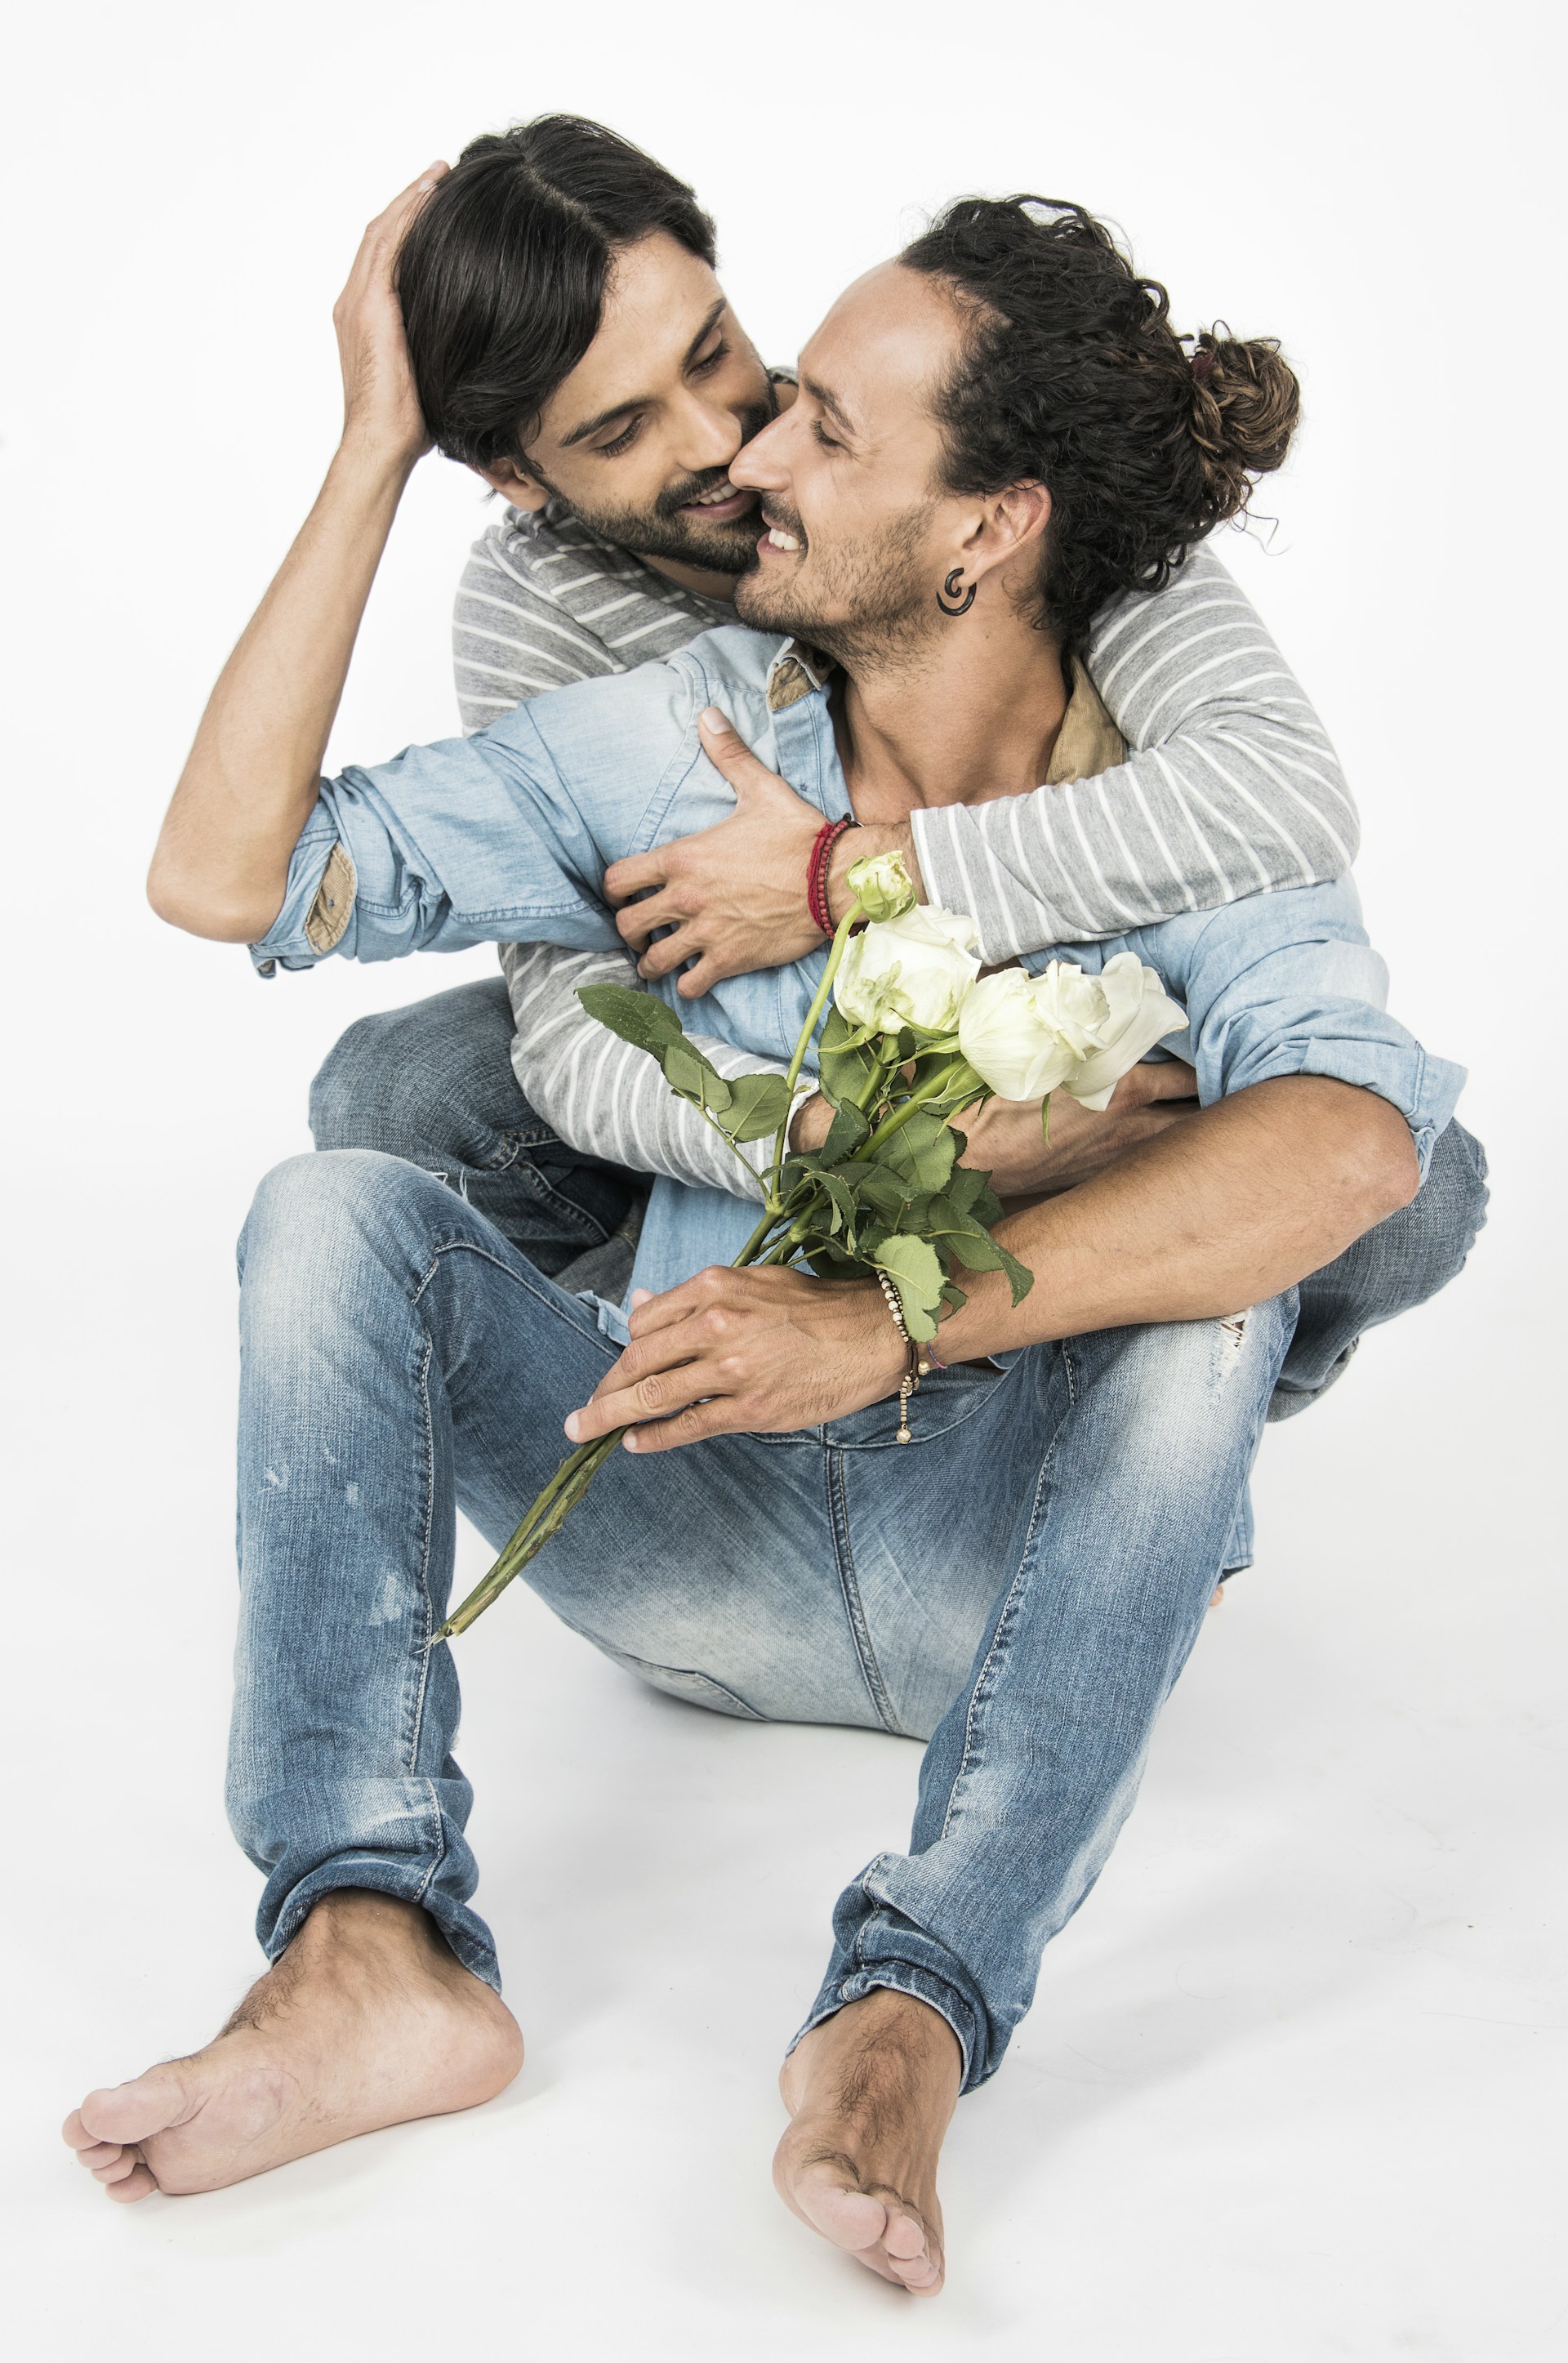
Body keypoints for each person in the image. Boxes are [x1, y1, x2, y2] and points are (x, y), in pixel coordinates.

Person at [63, 172, 1483, 2304]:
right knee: (341, 1189)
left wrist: (890, 1320)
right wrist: (371, 431)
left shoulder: (1172, 775)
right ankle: (368, 1945)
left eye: (821, 418)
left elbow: (1362, 1145)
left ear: (991, 524)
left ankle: (912, 2001)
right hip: (684, 1526)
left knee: (1234, 1261)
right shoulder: (648, 734)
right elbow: (227, 870)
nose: (750, 457)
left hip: (997, 1560)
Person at [301, 119, 1365, 1283]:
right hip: (771, 1043)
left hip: (1071, 979)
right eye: (619, 429)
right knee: (404, 1087)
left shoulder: (962, 448)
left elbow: (1281, 787)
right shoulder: (539, 599)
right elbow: (571, 1011)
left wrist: (850, 878)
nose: (733, 447)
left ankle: (1061, 1319)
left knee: (1391, 1166)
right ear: (516, 475)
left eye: (714, 353)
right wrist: (370, 453)